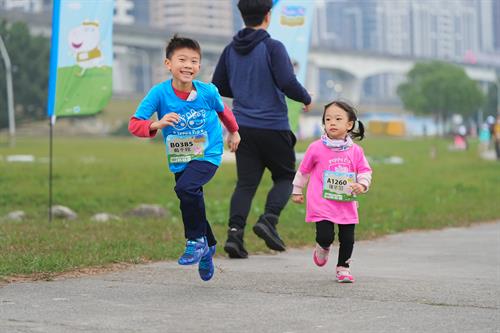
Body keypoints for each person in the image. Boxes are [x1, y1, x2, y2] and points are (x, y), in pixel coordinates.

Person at [128, 35, 241, 281]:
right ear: (168, 64)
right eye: (182, 60)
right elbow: (135, 124)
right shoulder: (159, 93)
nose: (188, 65)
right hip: (180, 156)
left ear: (199, 67)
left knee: (186, 188)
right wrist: (157, 123)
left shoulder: (208, 91)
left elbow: (225, 113)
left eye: (194, 61)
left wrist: (234, 132)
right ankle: (208, 247)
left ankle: (194, 241)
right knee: (190, 197)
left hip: (207, 153)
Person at [212, 0, 312, 259]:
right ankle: (268, 220)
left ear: (242, 16)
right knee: (286, 178)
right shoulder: (272, 47)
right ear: (268, 16)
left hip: (242, 127)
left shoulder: (230, 50)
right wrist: (306, 98)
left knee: (245, 184)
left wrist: (244, 91)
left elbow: (218, 85)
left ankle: (234, 236)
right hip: (273, 127)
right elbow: (287, 82)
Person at [291, 101, 372, 283]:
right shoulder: (316, 148)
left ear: (349, 125)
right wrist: (297, 190)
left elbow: (365, 170)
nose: (332, 123)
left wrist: (362, 184)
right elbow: (303, 171)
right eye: (328, 119)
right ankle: (323, 246)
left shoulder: (355, 151)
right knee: (325, 235)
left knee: (347, 238)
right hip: (322, 202)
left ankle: (343, 267)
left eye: (337, 119)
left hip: (346, 202)